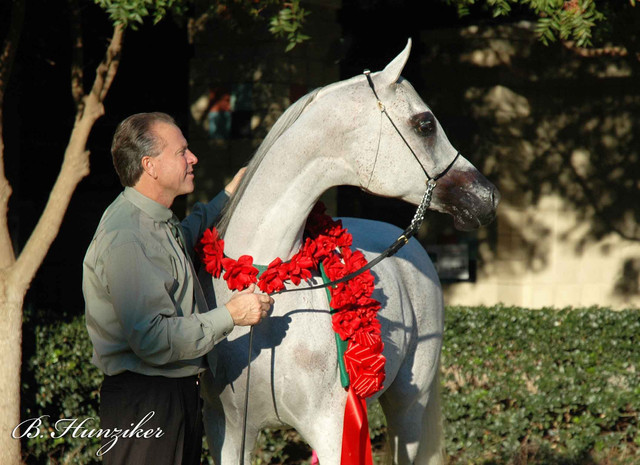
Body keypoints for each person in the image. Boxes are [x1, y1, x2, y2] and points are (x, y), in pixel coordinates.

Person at [82, 112, 273, 464]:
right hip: (147, 403)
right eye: (181, 152)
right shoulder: (128, 236)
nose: (193, 158)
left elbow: (183, 237)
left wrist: (229, 193)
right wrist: (231, 315)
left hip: (169, 398)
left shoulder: (151, 219)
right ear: (150, 166)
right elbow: (152, 339)